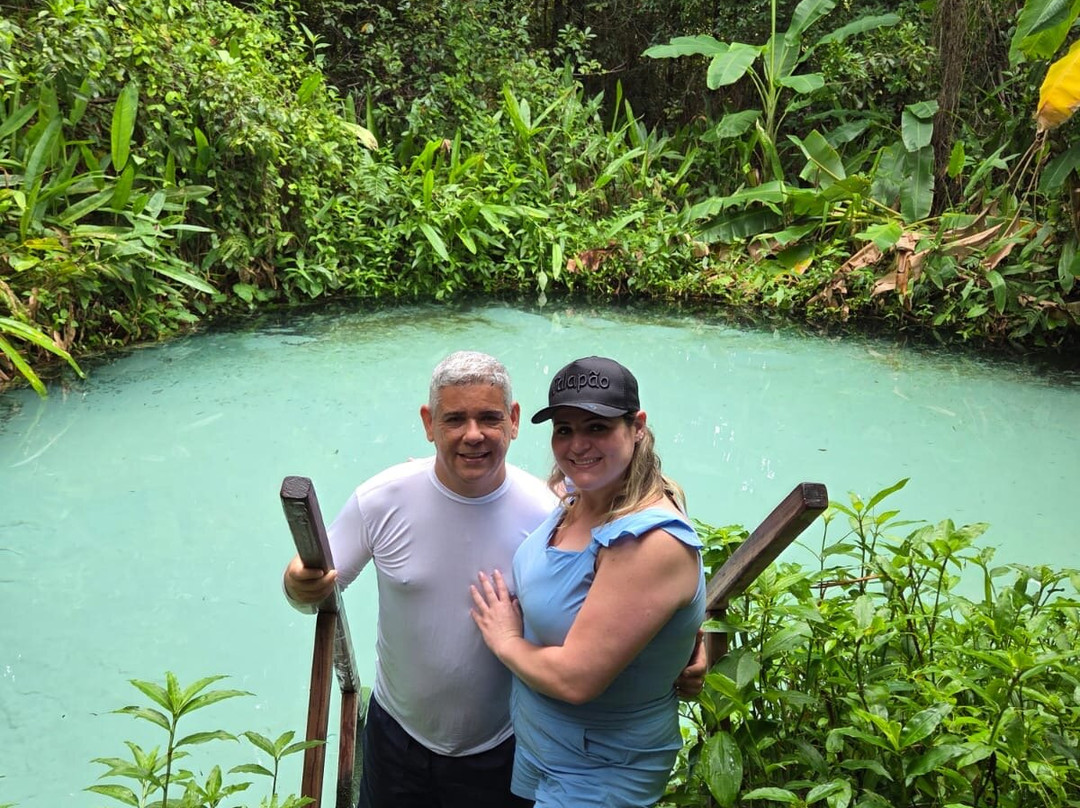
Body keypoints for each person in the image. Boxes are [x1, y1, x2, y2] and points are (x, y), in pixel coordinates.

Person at [282, 351, 707, 808]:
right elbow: (319, 587)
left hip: (506, 744)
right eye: (454, 420)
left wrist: (687, 643)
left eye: (488, 417)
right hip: (399, 734)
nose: (472, 435)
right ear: (429, 423)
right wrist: (296, 584)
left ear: (514, 420)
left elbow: (648, 571)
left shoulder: (547, 508)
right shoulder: (382, 499)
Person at [470, 355, 706, 808]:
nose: (578, 445)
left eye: (597, 427)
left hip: (601, 770)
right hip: (543, 747)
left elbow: (578, 681)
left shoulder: (648, 541)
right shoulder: (582, 492)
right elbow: (673, 606)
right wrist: (695, 641)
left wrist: (504, 640)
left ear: (637, 426)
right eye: (564, 429)